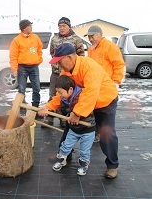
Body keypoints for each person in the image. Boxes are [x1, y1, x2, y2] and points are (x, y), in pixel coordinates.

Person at [38, 43, 119, 179]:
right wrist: (49, 107)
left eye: (59, 61)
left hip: (105, 102)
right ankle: (63, 155)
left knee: (106, 133)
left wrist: (77, 113)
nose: (58, 65)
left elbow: (90, 93)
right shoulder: (66, 72)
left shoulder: (89, 67)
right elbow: (60, 93)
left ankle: (112, 165)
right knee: (70, 126)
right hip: (84, 102)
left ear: (69, 57)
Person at [84, 25, 125, 142]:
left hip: (107, 87)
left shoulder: (110, 47)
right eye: (89, 37)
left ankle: (106, 137)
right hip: (95, 85)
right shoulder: (91, 48)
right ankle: (97, 133)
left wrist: (116, 81)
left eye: (93, 36)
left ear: (100, 35)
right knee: (95, 111)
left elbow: (119, 64)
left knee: (107, 114)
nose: (90, 39)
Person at [48, 75, 95, 175]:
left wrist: (77, 114)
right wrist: (46, 108)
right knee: (66, 146)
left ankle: (83, 165)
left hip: (88, 129)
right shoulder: (65, 98)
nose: (60, 95)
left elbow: (85, 108)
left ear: (70, 89)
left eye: (61, 92)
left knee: (84, 150)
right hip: (74, 129)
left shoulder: (82, 96)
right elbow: (58, 104)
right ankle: (62, 161)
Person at [45, 17, 85, 127]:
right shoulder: (54, 39)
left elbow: (81, 55)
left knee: (68, 97)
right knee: (54, 95)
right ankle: (49, 117)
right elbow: (53, 53)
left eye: (64, 26)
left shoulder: (76, 39)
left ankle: (64, 118)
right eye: (60, 26)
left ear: (69, 26)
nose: (61, 28)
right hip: (56, 73)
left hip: (70, 74)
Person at [9, 19, 43, 110]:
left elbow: (40, 49)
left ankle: (35, 106)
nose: (31, 27)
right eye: (29, 26)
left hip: (34, 66)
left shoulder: (35, 37)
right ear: (24, 28)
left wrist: (38, 59)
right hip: (22, 67)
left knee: (36, 87)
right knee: (21, 88)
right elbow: (13, 56)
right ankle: (22, 106)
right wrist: (14, 69)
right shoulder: (16, 40)